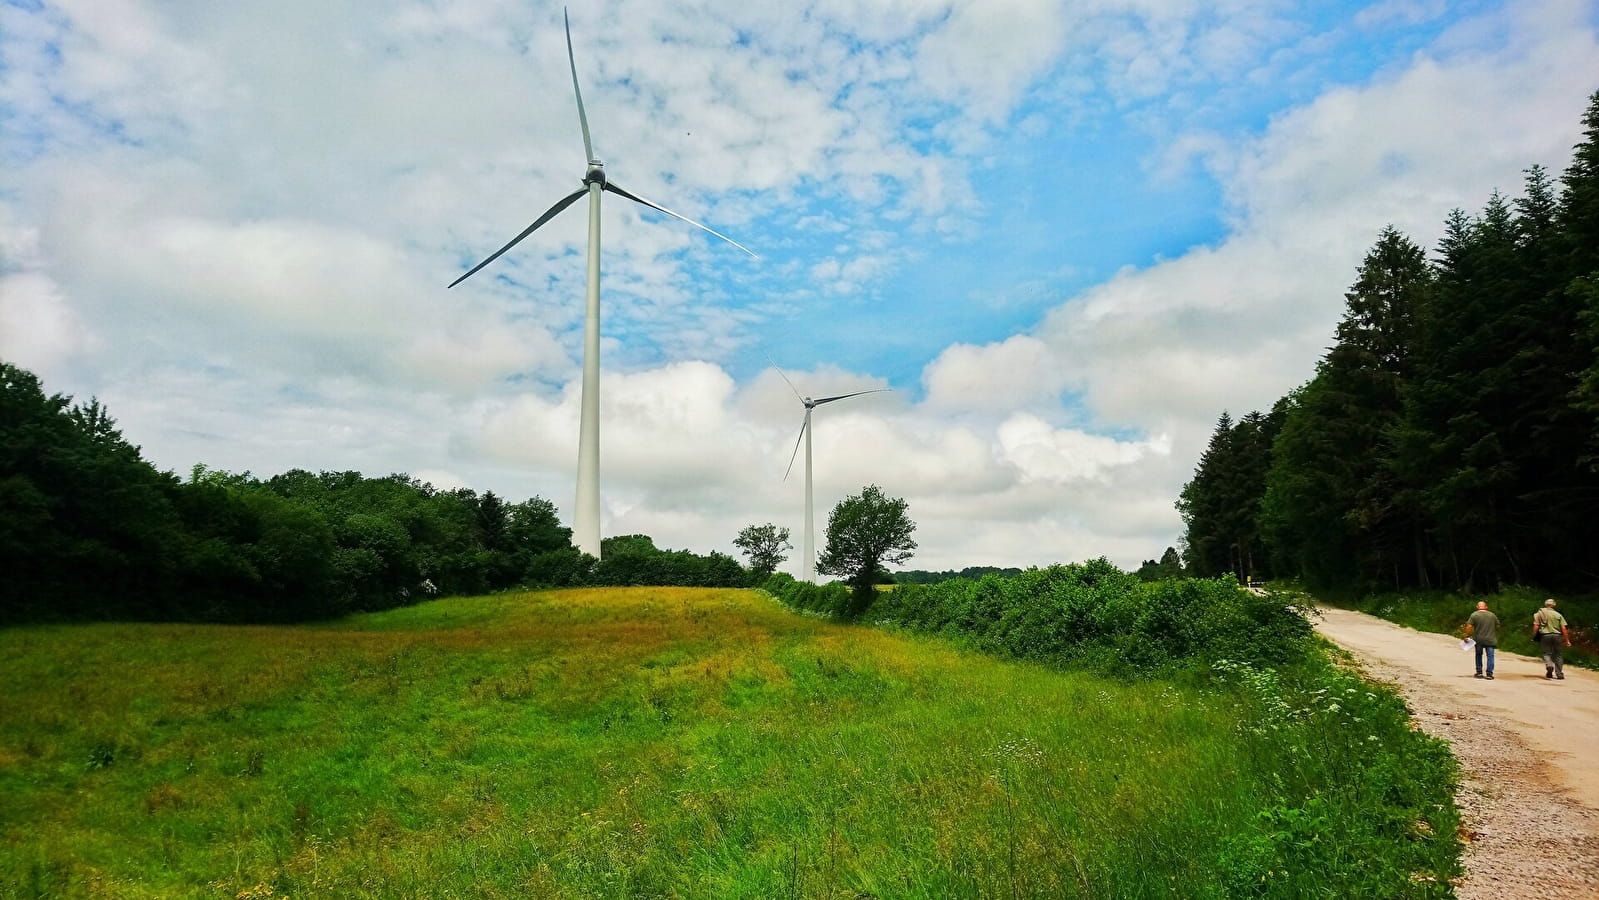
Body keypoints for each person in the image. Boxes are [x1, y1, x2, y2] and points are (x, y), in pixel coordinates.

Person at [1531, 598, 1571, 680]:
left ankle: (1549, 665)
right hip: (1557, 636)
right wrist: (1567, 640)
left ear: (1545, 604)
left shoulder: (1540, 614)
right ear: (1554, 605)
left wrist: (1534, 635)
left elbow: (1536, 626)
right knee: (1558, 655)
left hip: (1545, 635)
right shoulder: (1558, 615)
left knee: (1546, 653)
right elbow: (1564, 628)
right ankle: (1559, 674)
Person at [1464, 601, 1500, 679]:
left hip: (1478, 639)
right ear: (1486, 607)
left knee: (1479, 655)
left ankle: (1479, 672)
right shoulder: (1492, 615)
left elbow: (1469, 626)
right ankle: (1489, 674)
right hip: (1490, 639)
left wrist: (1467, 636)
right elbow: (1497, 626)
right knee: (1490, 656)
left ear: (1477, 607)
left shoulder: (1474, 615)